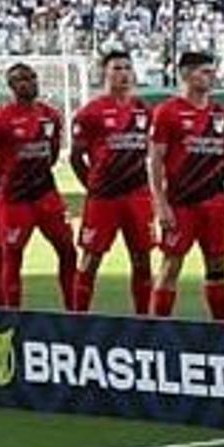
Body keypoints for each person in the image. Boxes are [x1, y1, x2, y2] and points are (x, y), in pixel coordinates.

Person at [67, 50, 154, 317]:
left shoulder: (143, 110)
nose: (124, 73)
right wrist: (92, 185)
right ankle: (79, 318)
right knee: (91, 258)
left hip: (138, 197)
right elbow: (76, 157)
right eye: (117, 68)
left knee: (142, 259)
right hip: (104, 199)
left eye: (127, 67)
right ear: (105, 73)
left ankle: (143, 320)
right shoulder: (91, 112)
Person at [0, 62, 74, 313]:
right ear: (12, 86)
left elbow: (52, 153)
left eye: (32, 77)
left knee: (68, 249)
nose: (29, 82)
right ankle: (13, 315)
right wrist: (3, 183)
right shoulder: (0, 121)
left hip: (47, 194)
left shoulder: (51, 115)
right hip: (15, 200)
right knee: (12, 256)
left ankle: (74, 311)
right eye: (21, 79)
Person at [147, 53, 224, 322]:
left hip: (215, 202)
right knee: (171, 264)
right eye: (204, 71)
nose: (211, 76)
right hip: (181, 204)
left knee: (217, 265)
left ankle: (220, 328)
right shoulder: (168, 111)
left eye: (212, 71)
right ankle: (157, 328)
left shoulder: (219, 113)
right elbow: (155, 160)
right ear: (186, 74)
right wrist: (160, 203)